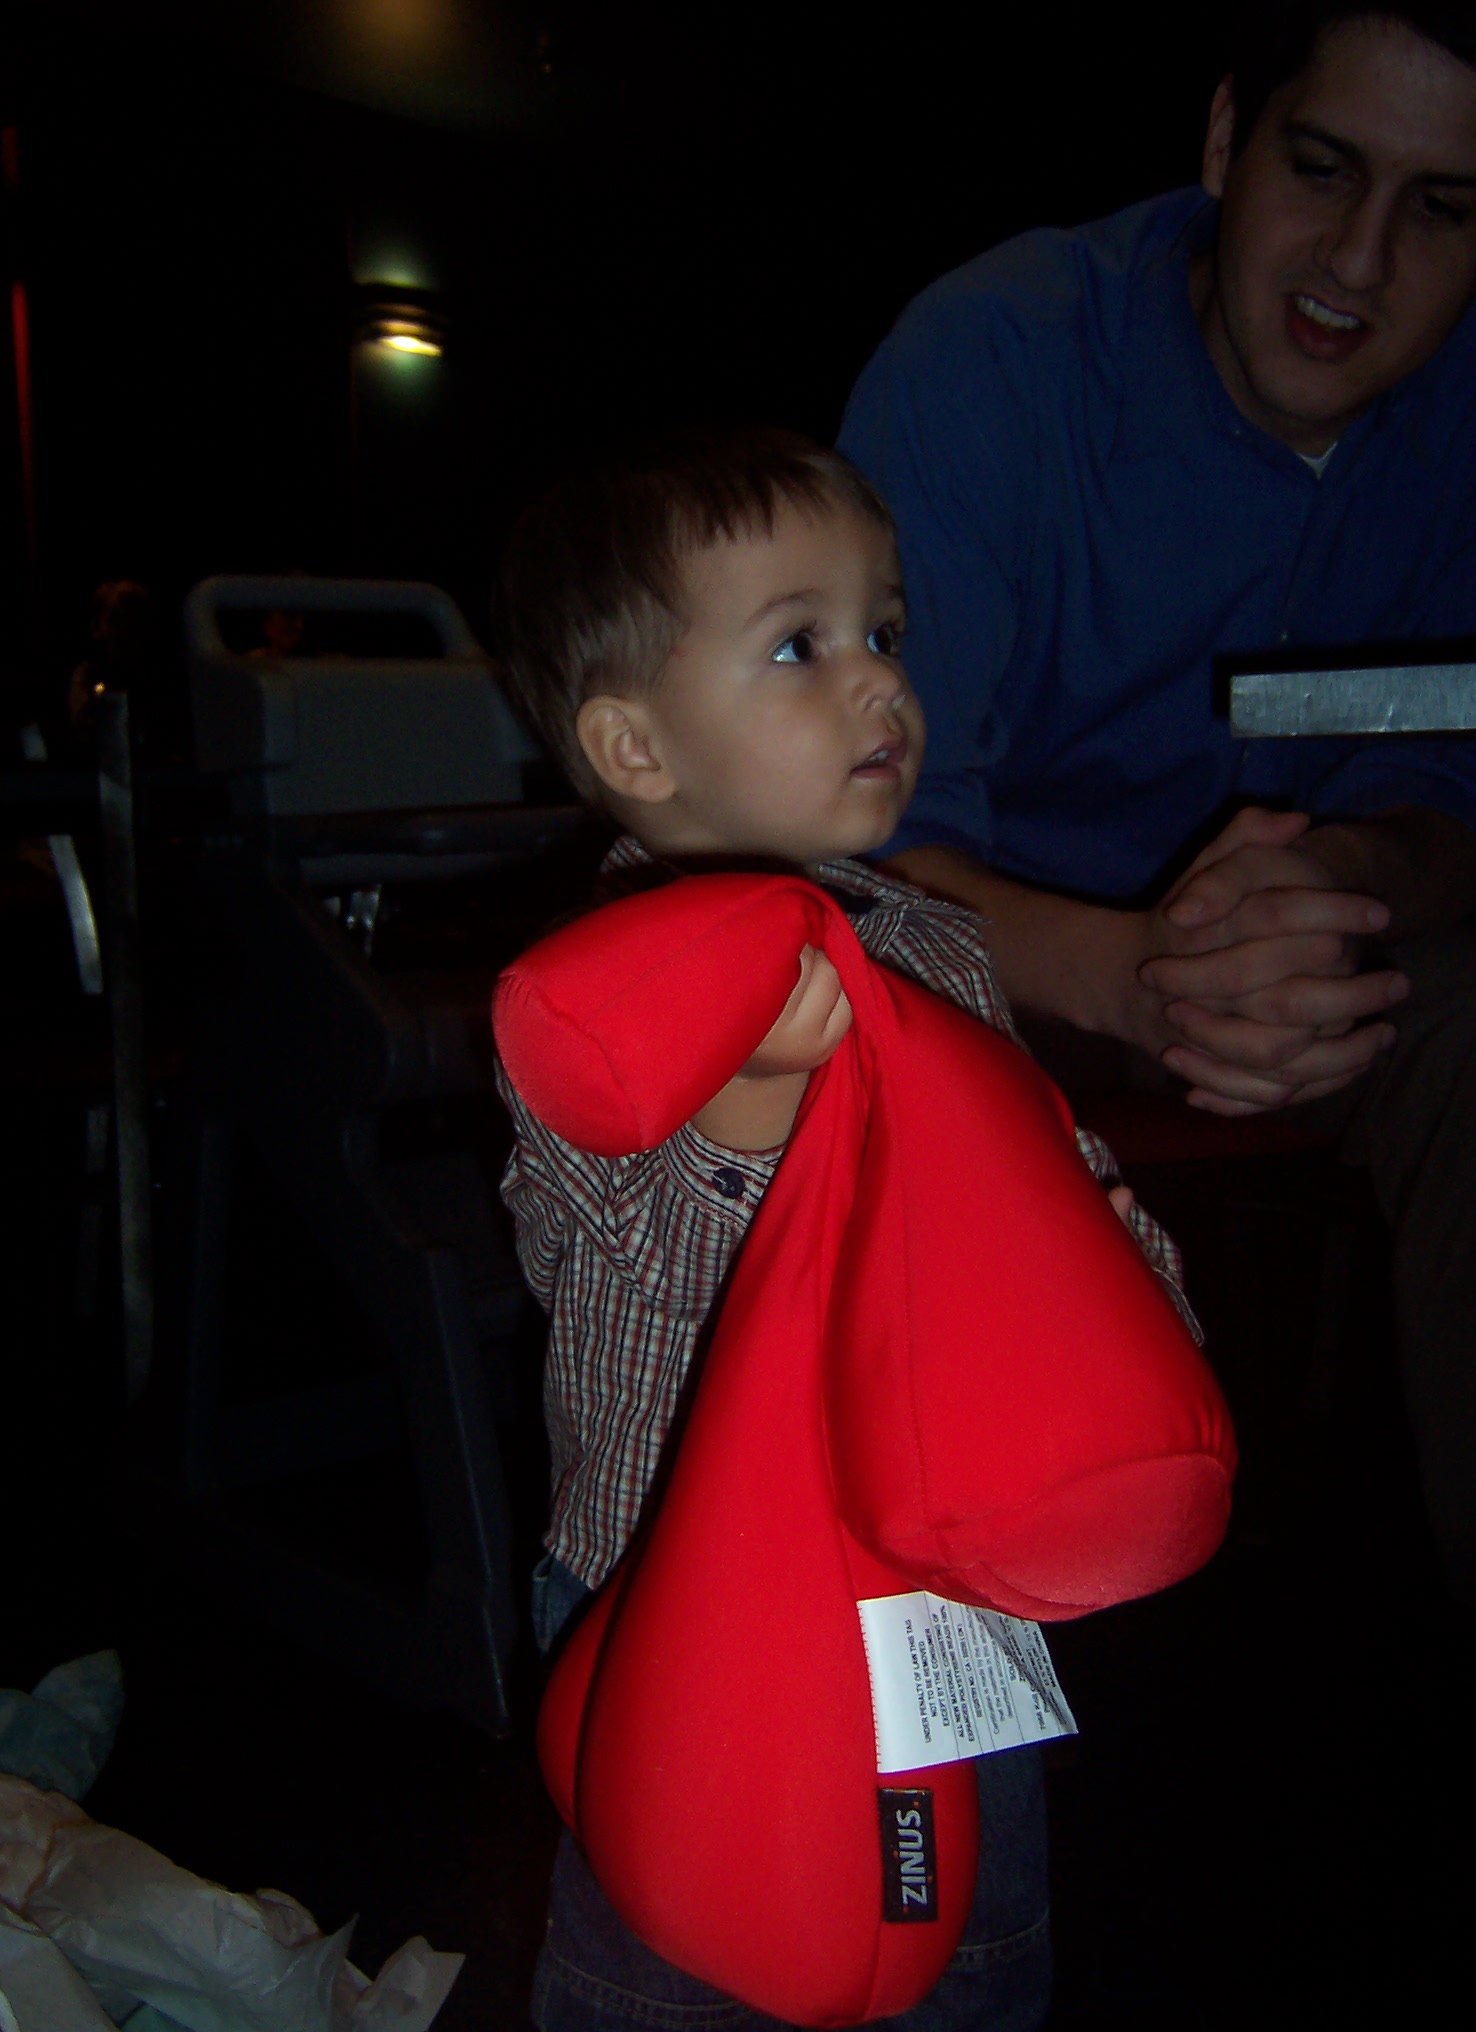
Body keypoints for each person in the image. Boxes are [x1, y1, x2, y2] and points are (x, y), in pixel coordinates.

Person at [491, 426, 1197, 2032]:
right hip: (678, 1598)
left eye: (883, 629)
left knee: (970, 1950)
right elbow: (598, 1263)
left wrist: (1126, 1292)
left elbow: (1043, 1192)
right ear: (636, 745)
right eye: (798, 646)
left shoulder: (936, 949)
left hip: (936, 1604)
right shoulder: (601, 992)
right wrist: (747, 1116)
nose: (879, 680)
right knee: (672, 1966)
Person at [838, 0, 1476, 1612]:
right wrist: (1142, 974)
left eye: (1442, 208)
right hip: (992, 963)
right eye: (1321, 169)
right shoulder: (993, 364)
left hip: (1309, 975)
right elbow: (857, 853)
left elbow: (1448, 774)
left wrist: (1349, 878)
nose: (1359, 262)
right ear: (1224, 143)